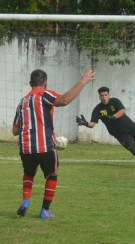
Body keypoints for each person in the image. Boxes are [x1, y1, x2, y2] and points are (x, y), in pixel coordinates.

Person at [12, 68, 96, 218]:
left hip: (25, 147)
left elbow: (15, 130)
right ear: (45, 83)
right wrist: (82, 81)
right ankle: (45, 210)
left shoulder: (22, 102)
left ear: (30, 83)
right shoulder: (45, 94)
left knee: (29, 174)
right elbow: (63, 100)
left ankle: (26, 200)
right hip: (45, 145)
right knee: (52, 173)